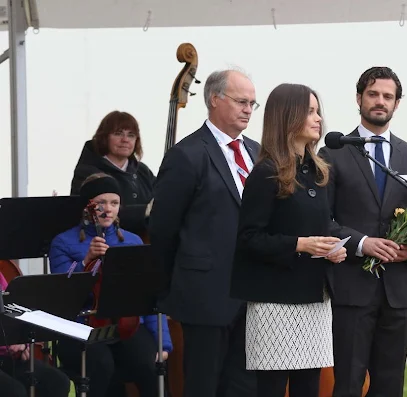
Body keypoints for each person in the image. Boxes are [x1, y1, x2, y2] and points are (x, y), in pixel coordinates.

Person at [318, 66, 407, 397]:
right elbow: (322, 220)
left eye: (388, 96)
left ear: (397, 103)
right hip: (351, 289)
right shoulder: (333, 153)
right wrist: (362, 244)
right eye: (373, 94)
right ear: (359, 98)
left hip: (398, 293)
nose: (380, 101)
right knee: (349, 384)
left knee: (390, 385)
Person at [230, 83, 347, 397]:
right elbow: (248, 238)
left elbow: (321, 226)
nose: (318, 118)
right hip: (275, 303)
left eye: (317, 110)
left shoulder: (318, 171)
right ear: (288, 117)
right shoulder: (265, 173)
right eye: (309, 111)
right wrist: (299, 244)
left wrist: (332, 249)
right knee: (273, 389)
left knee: (309, 388)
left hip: (314, 298)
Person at [149, 69, 260, 397]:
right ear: (214, 99)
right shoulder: (187, 155)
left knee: (243, 387)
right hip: (205, 296)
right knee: (203, 385)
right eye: (241, 101)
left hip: (252, 294)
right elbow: (163, 229)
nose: (248, 109)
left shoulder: (257, 152)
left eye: (253, 103)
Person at [49, 173, 172, 397]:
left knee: (149, 364)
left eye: (114, 203)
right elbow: (61, 291)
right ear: (87, 207)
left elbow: (148, 295)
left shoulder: (133, 241)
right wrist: (86, 262)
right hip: (82, 327)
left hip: (127, 325)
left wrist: (163, 342)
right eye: (101, 203)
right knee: (102, 366)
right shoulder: (63, 242)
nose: (108, 209)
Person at [71, 111, 156, 236]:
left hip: (142, 242)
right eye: (118, 134)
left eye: (131, 135)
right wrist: (146, 211)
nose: (125, 140)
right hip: (103, 243)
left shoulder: (143, 170)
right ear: (104, 137)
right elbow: (96, 212)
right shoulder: (87, 172)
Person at [0, 271, 71, 397]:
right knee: (15, 392)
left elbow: (13, 310)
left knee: (58, 382)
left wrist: (20, 341)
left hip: (9, 355)